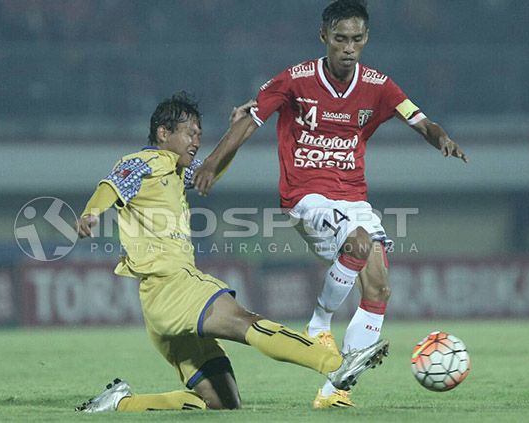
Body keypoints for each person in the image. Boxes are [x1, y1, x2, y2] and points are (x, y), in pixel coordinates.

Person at [193, 0, 467, 409]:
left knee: (379, 286)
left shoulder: (379, 85)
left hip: (354, 197)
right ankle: (319, 324)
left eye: (357, 39)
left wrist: (440, 137)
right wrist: (213, 163)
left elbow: (421, 120)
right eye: (340, 38)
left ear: (366, 39)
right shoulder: (296, 79)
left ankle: (335, 390)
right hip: (306, 195)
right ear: (324, 37)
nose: (349, 47)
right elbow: (249, 119)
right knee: (358, 242)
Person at [73, 92, 388, 412]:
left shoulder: (175, 172)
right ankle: (335, 364)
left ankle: (119, 405)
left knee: (222, 402)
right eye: (189, 132)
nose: (196, 140)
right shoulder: (146, 162)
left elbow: (211, 169)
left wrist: (234, 133)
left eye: (199, 134)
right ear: (163, 133)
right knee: (245, 321)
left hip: (161, 303)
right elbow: (112, 185)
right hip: (173, 285)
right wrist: (91, 213)